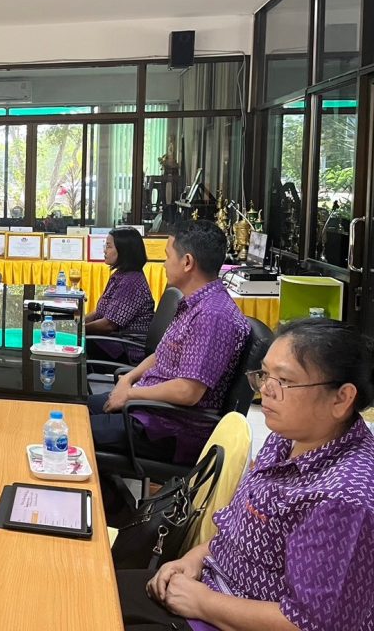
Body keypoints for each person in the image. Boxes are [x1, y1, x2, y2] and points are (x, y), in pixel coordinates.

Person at [117, 318, 374, 631]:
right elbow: (237, 530)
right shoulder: (288, 438)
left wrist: (203, 603)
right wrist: (193, 559)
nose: (266, 389)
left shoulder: (344, 498)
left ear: (341, 398)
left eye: (284, 381)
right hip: (210, 586)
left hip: (224, 614)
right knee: (82, 589)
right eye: (265, 375)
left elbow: (309, 622)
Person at [89, 220, 250, 515]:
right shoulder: (195, 304)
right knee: (73, 407)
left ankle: (122, 519)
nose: (163, 264)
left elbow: (188, 391)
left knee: (72, 433)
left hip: (166, 428)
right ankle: (115, 502)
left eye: (166, 256)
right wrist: (128, 379)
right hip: (147, 408)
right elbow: (161, 354)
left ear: (187, 262)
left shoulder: (213, 316)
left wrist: (131, 394)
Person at [85, 228, 155, 365]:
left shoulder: (131, 282)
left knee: (71, 342)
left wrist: (77, 330)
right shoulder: (121, 275)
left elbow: (108, 325)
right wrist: (77, 323)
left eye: (109, 246)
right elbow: (99, 313)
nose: (104, 250)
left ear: (124, 250)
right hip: (112, 341)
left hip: (126, 349)